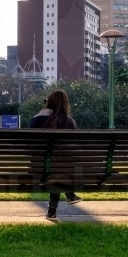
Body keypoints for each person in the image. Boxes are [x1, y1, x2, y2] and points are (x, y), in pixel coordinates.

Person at [30, 89, 82, 220]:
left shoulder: (35, 120)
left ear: (48, 102)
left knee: (54, 171)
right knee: (58, 170)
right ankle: (67, 196)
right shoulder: (68, 122)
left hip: (38, 168)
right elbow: (76, 148)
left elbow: (29, 145)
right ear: (65, 104)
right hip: (64, 169)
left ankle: (55, 209)